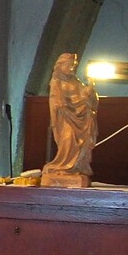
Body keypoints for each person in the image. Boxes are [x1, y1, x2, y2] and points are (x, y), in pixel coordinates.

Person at [43, 51, 97, 183]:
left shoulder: (75, 81)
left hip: (81, 116)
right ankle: (62, 166)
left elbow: (85, 96)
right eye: (69, 65)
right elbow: (57, 102)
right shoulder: (56, 82)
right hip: (66, 117)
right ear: (61, 65)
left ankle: (76, 167)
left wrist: (90, 89)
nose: (71, 68)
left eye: (73, 65)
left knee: (82, 142)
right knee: (68, 138)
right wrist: (73, 106)